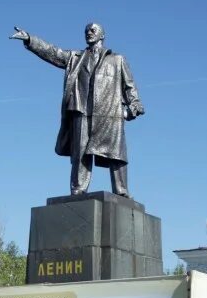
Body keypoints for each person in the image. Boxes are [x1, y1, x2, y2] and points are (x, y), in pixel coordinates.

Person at [11, 23, 145, 197]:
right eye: (86, 31)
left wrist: (132, 109)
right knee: (80, 154)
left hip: (109, 113)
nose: (89, 33)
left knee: (116, 155)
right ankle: (78, 190)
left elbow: (130, 88)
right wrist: (30, 39)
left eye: (93, 30)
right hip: (81, 111)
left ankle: (121, 191)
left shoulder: (117, 59)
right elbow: (54, 53)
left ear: (102, 35)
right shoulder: (76, 58)